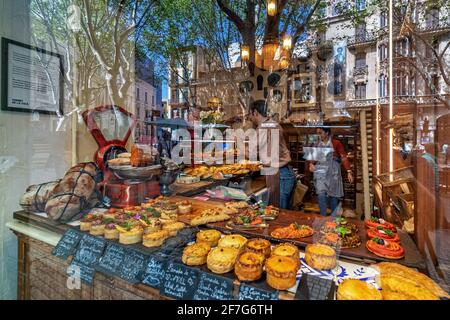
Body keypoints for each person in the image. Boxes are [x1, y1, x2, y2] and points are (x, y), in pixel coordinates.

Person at [247, 100, 296, 209]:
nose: (250, 118)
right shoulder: (274, 124)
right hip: (286, 173)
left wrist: (236, 149)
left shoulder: (264, 127)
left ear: (255, 112)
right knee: (285, 214)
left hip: (279, 175)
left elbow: (252, 152)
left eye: (250, 114)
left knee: (279, 214)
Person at [309, 127, 353, 216]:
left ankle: (333, 220)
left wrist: (349, 171)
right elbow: (313, 159)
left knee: (333, 196)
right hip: (321, 171)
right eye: (318, 133)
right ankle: (323, 217)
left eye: (320, 133)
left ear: (327, 133)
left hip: (333, 172)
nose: (319, 135)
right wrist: (311, 164)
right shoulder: (317, 144)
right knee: (321, 194)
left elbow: (343, 157)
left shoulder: (336, 143)